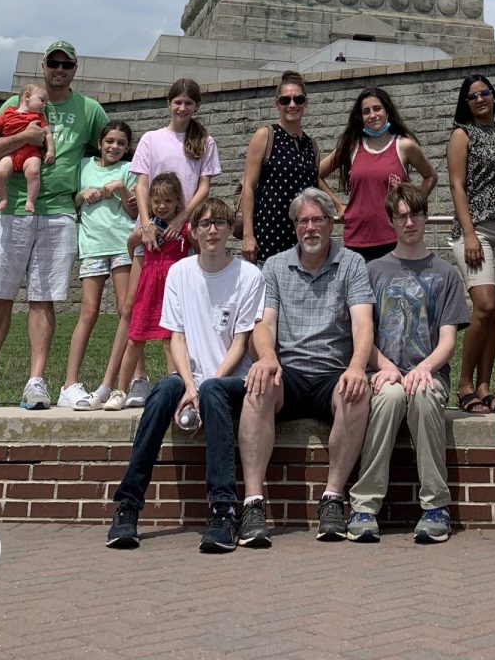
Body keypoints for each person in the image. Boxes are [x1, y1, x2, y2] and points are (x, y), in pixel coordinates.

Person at [106, 196, 266, 554]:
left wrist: (204, 386)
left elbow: (240, 344)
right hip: (190, 377)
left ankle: (223, 512)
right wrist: (190, 385)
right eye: (205, 223)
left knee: (213, 393)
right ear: (192, 230)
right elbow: (175, 336)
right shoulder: (180, 272)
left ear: (229, 231)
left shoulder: (249, 275)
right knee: (163, 390)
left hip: (231, 379)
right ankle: (128, 506)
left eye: (220, 224)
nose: (212, 230)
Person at [0, 41, 108, 411]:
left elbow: (110, 150)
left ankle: (36, 382)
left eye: (67, 64)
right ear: (43, 66)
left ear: (75, 68)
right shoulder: (15, 103)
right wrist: (25, 138)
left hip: (59, 212)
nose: (60, 69)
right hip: (12, 211)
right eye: (54, 63)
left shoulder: (90, 110)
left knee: (43, 300)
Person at [236, 188, 374, 547]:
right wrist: (267, 357)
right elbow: (264, 325)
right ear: (295, 227)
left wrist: (358, 366)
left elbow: (362, 325)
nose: (310, 228)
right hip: (290, 372)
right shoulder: (276, 265)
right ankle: (252, 504)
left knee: (357, 395)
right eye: (303, 221)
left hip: (333, 372)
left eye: (317, 220)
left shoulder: (353, 263)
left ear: (331, 223)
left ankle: (332, 498)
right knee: (258, 387)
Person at [347, 183, 470, 543]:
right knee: (389, 398)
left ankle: (435, 506)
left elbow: (448, 341)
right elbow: (362, 334)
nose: (409, 221)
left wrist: (424, 369)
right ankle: (364, 505)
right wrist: (384, 365)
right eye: (401, 216)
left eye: (415, 214)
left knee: (423, 396)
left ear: (426, 216)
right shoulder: (373, 271)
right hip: (383, 371)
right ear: (391, 221)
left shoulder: (446, 274)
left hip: (428, 372)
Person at [121, 78, 220, 406]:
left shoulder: (204, 141)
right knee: (135, 304)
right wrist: (147, 222)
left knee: (180, 308)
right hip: (150, 233)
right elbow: (141, 183)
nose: (182, 108)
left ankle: (178, 378)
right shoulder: (151, 139)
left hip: (184, 234)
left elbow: (204, 186)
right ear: (169, 103)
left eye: (188, 103)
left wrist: (183, 218)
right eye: (177, 102)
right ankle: (136, 381)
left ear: (196, 107)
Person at [59, 119, 138, 410]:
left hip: (122, 245)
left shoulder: (129, 170)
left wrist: (121, 189)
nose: (114, 147)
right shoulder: (83, 166)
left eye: (121, 143)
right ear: (100, 142)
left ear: (128, 147)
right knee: (88, 312)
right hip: (92, 246)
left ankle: (135, 379)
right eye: (110, 141)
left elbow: (135, 211)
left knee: (126, 310)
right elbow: (73, 201)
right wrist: (83, 194)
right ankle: (69, 383)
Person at [447, 73, 495, 413]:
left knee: (494, 313)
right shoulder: (463, 134)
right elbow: (457, 186)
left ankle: (485, 385)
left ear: (494, 96)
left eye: (485, 93)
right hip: (477, 232)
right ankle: (464, 384)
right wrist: (470, 232)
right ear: (466, 102)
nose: (480, 99)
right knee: (483, 306)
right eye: (473, 96)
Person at [319, 86, 437, 261]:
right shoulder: (351, 146)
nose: (372, 115)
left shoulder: (404, 146)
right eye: (366, 111)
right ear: (361, 117)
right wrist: (338, 206)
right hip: (357, 239)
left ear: (387, 110)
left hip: (395, 238)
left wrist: (412, 206)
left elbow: (431, 177)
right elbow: (316, 174)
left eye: (377, 108)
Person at [110, 172, 193, 409]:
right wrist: (138, 247)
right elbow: (131, 243)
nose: (162, 206)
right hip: (148, 287)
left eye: (168, 201)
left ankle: (173, 390)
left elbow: (196, 250)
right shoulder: (147, 229)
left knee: (170, 340)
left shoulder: (184, 229)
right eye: (156, 201)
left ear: (178, 201)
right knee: (135, 338)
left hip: (173, 289)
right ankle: (120, 390)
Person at [240, 71, 326, 265]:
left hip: (303, 235)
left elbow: (316, 186)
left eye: (298, 99)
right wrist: (248, 235)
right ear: (277, 104)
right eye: (285, 100)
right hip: (269, 234)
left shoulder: (311, 145)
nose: (292, 105)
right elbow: (248, 187)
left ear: (306, 103)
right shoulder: (266, 135)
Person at [0, 83, 55, 214]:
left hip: (31, 154)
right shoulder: (8, 112)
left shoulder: (38, 117)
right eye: (42, 100)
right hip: (10, 154)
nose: (44, 105)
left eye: (46, 103)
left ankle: (30, 200)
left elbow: (47, 133)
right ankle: (2, 198)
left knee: (34, 173)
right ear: (27, 97)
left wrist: (50, 150)